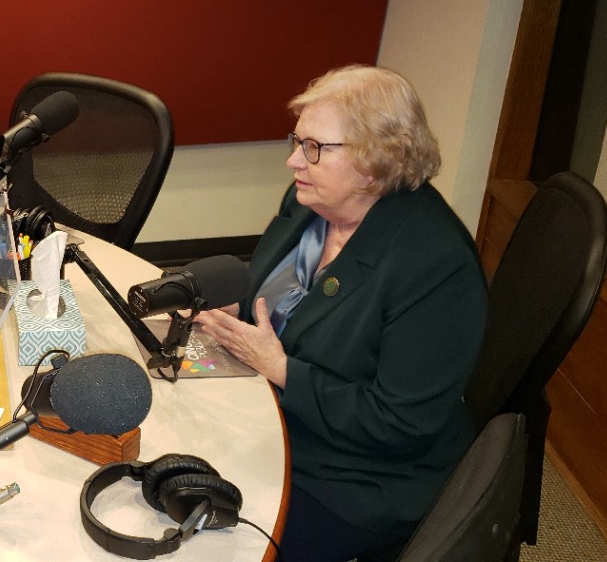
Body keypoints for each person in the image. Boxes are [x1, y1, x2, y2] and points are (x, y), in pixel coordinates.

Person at [194, 65, 487, 559]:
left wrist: (280, 368)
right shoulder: (312, 204)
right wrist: (242, 312)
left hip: (357, 476)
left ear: (376, 161)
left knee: (217, 547)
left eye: (313, 147)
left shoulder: (434, 268)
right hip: (280, 415)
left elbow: (399, 424)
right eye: (296, 141)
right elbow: (280, 294)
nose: (293, 161)